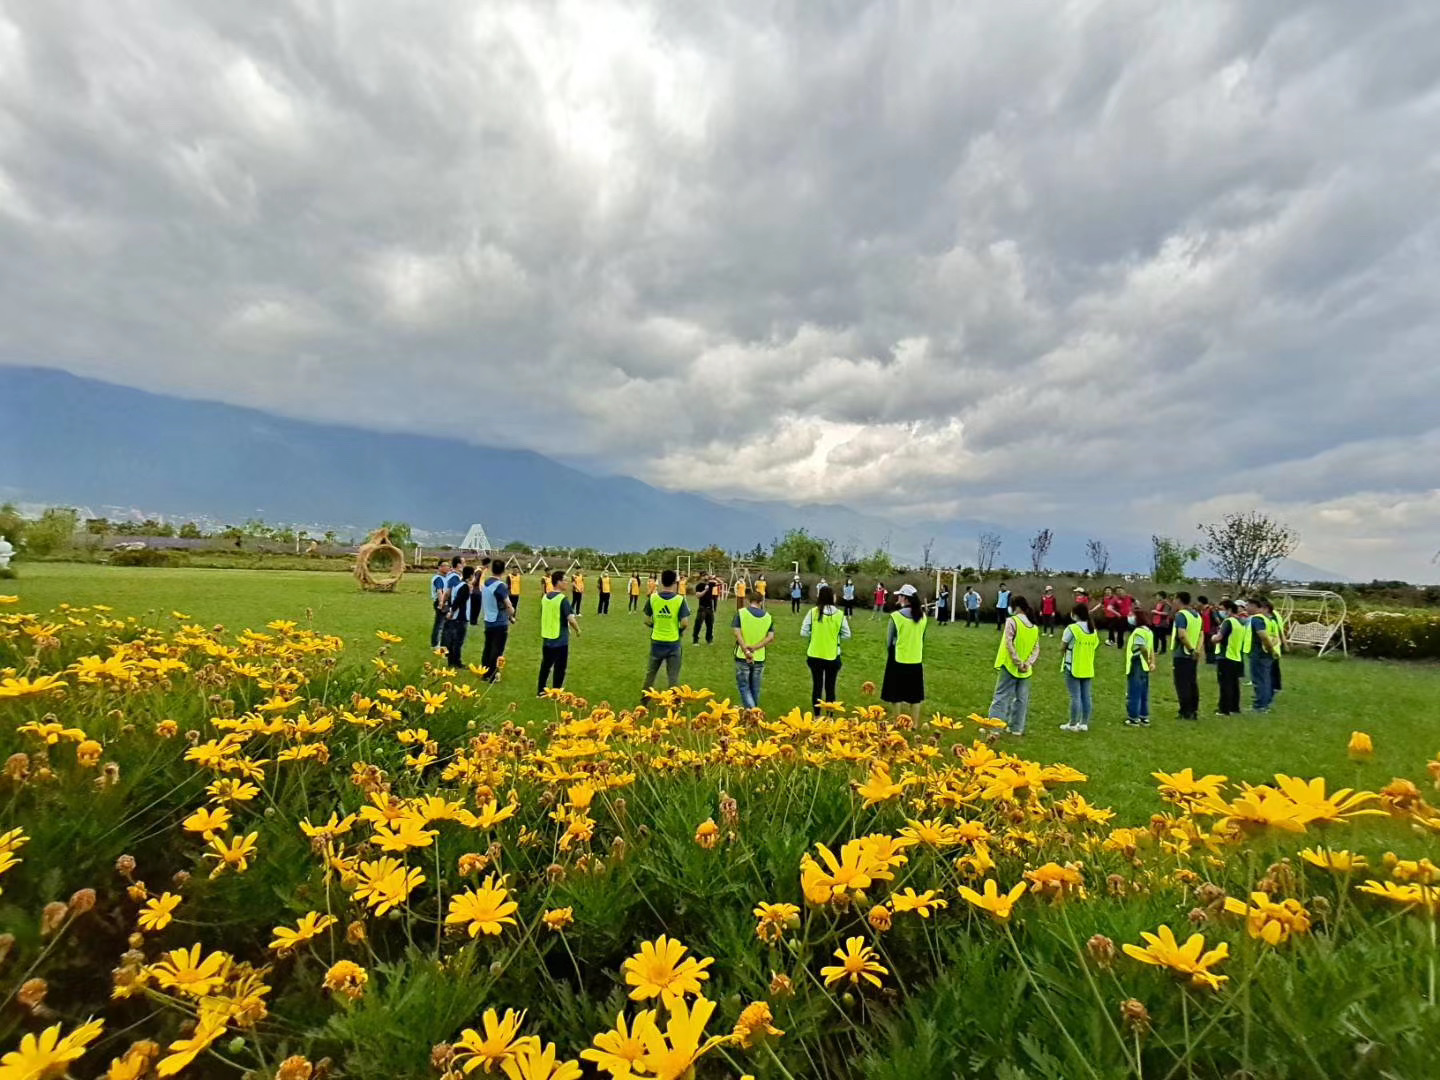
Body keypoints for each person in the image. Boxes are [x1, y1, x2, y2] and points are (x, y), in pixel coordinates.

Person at [989, 596, 1038, 734]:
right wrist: (1028, 663)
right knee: (1021, 699)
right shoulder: (1033, 626)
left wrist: (1017, 662)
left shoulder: (1012, 621)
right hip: (1026, 669)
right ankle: (1017, 728)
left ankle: (995, 727)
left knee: (1001, 696)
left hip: (1010, 665)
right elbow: (1036, 648)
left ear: (1016, 607)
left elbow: (1008, 643)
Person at [801, 584, 850, 709]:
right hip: (832, 655)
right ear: (832, 597)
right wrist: (835, 636)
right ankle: (829, 717)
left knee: (817, 686)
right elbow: (847, 634)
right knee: (830, 687)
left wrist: (815, 634)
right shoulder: (839, 615)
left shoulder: (813, 612)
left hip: (814, 654)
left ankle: (817, 717)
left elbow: (804, 632)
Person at [882, 584, 928, 720]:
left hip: (898, 657)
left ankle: (898, 721)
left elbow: (889, 640)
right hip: (916, 658)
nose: (898, 598)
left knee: (895, 694)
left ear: (905, 598)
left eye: (900, 596)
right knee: (915, 695)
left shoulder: (896, 616)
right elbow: (923, 638)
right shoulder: (923, 617)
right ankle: (913, 723)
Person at [642, 569, 690, 694]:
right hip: (673, 642)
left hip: (657, 641)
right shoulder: (679, 600)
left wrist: (656, 625)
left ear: (661, 582)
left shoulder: (653, 598)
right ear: (675, 583)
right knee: (673, 677)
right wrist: (678, 630)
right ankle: (673, 705)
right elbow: (685, 623)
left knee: (650, 674)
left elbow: (646, 620)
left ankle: (644, 702)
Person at [537, 570, 580, 696]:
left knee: (545, 666)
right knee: (560, 667)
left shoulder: (545, 597)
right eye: (565, 580)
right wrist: (577, 629)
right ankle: (556, 692)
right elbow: (570, 618)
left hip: (547, 636)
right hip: (560, 638)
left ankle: (540, 690)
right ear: (558, 582)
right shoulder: (562, 599)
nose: (567, 583)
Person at [1059, 602, 1100, 732]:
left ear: (1075, 614)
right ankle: (1083, 723)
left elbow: (1063, 646)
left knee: (1075, 696)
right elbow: (1095, 645)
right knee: (1086, 696)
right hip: (1087, 666)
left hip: (1073, 666)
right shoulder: (1093, 630)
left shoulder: (1072, 628)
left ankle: (1072, 724)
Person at [732, 591, 775, 709]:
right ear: (761, 602)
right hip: (759, 657)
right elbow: (770, 637)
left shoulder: (741, 613)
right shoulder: (768, 617)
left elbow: (737, 633)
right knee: (755, 688)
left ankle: (753, 713)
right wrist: (755, 647)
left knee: (744, 686)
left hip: (742, 655)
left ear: (748, 600)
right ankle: (752, 715)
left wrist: (745, 649)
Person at [478, 559, 515, 683]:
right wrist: (511, 613)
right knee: (497, 649)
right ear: (504, 571)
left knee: (488, 647)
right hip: (499, 622)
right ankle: (492, 675)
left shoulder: (486, 583)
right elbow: (508, 604)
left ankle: (484, 672)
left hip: (488, 620)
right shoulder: (500, 586)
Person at [1170, 591, 1202, 720]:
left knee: (1182, 684)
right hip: (1193, 655)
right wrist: (1197, 650)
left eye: (1174, 599)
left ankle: (1185, 711)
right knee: (1192, 683)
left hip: (1183, 653)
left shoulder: (1181, 615)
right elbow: (1201, 634)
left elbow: (1182, 634)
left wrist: (1190, 649)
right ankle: (1194, 710)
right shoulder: (1197, 615)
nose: (1173, 602)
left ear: (1179, 600)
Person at [1212, 600, 1246, 715]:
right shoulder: (1240, 622)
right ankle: (1234, 707)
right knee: (1234, 684)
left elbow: (1219, 637)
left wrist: (1213, 638)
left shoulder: (1228, 622)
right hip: (1236, 656)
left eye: (1222, 609)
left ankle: (1224, 709)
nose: (1221, 612)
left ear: (1229, 610)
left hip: (1225, 656)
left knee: (1225, 684)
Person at [1125, 605, 1155, 726]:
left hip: (1137, 663)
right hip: (1145, 666)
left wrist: (1147, 659)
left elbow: (1142, 647)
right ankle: (1144, 716)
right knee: (1143, 692)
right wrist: (1152, 662)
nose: (1129, 617)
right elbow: (1151, 648)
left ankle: (1133, 718)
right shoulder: (1148, 631)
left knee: (1134, 691)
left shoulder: (1138, 632)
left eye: (1131, 615)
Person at [1247, 598, 1276, 713]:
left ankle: (1260, 706)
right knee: (1265, 679)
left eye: (1248, 605)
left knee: (1259, 680)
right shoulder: (1268, 620)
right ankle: (1265, 703)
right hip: (1265, 653)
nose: (1246, 608)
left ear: (1256, 606)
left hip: (1259, 652)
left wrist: (1269, 649)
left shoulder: (1257, 619)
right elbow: (1275, 636)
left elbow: (1263, 635)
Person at [442, 566, 475, 669]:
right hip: (461, 617)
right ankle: (457, 662)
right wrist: (452, 612)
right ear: (470, 576)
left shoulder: (457, 585)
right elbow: (458, 601)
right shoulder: (464, 587)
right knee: (458, 641)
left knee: (453, 640)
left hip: (455, 617)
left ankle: (451, 661)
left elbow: (452, 599)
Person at [1263, 599, 1285, 694]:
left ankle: (1274, 687)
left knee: (1272, 668)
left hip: (1272, 645)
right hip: (1274, 644)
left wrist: (1283, 641)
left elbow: (1279, 630)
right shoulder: (1273, 615)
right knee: (1274, 667)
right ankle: (1275, 686)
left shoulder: (1272, 617)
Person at [692, 575, 718, 645]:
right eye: (704, 576)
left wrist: (714, 578)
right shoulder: (699, 586)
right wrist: (705, 590)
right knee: (698, 624)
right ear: (701, 577)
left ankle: (709, 640)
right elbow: (698, 596)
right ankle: (695, 640)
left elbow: (720, 583)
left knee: (710, 625)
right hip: (702, 608)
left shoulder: (711, 584)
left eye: (706, 575)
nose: (706, 577)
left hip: (710, 608)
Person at [429, 559, 449, 649]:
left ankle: (441, 642)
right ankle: (435, 644)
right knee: (439, 623)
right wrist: (441, 603)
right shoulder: (438, 578)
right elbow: (439, 591)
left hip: (445, 601)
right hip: (440, 601)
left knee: (444, 623)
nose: (447, 568)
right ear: (439, 567)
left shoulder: (446, 578)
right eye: (444, 566)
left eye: (448, 566)